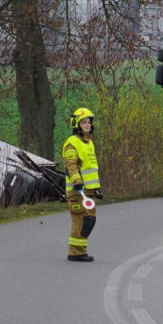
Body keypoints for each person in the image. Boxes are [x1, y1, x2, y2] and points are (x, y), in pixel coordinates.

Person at [63, 107, 102, 262]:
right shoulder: (72, 142)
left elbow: (90, 168)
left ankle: (80, 251)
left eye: (88, 122)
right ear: (76, 124)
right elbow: (71, 165)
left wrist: (96, 188)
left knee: (89, 221)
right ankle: (75, 252)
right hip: (77, 191)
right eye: (84, 122)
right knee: (82, 220)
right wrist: (77, 183)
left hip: (89, 191)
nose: (87, 125)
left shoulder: (88, 143)